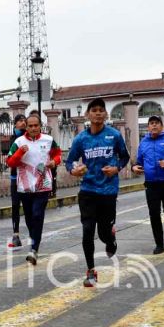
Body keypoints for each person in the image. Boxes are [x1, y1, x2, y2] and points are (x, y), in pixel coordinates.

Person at [66, 98, 129, 287]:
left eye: (101, 110)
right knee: (87, 231)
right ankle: (91, 272)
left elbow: (124, 157)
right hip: (88, 191)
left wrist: (116, 168)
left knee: (103, 234)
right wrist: (74, 171)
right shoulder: (80, 139)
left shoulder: (114, 135)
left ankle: (111, 240)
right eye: (94, 110)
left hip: (108, 191)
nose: (98, 113)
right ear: (87, 115)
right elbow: (69, 162)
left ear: (106, 115)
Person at [6, 114, 62, 265]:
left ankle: (34, 249)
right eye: (30, 126)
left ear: (40, 126)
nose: (33, 128)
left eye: (35, 125)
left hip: (43, 184)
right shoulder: (19, 142)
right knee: (30, 217)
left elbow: (58, 154)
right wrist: (19, 153)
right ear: (26, 127)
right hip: (25, 187)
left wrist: (53, 162)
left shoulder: (48, 140)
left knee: (38, 215)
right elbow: (10, 162)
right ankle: (34, 239)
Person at [132, 115, 164, 255]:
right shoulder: (143, 143)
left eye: (156, 123)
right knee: (154, 214)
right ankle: (159, 244)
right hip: (151, 184)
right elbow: (138, 162)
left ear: (161, 126)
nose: (154, 125)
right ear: (148, 127)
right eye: (151, 123)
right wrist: (135, 167)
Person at [8, 114, 27, 249]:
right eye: (20, 121)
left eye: (24, 120)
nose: (23, 123)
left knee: (28, 206)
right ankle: (16, 235)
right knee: (15, 205)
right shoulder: (13, 140)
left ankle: (33, 234)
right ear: (15, 124)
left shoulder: (29, 138)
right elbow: (10, 158)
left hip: (28, 177)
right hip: (15, 177)